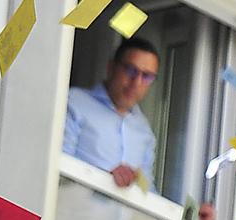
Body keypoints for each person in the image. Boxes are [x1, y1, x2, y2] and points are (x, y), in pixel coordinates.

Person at [61, 37, 161, 189]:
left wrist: (190, 213)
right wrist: (105, 177)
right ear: (111, 68)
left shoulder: (144, 131)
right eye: (131, 70)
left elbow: (147, 191)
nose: (136, 82)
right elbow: (58, 164)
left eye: (146, 76)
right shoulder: (75, 102)